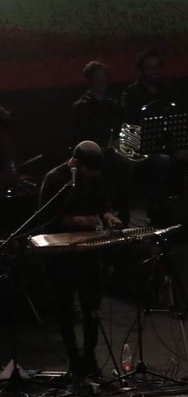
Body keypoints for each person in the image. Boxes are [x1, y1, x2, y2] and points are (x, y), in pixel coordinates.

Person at [37, 140, 122, 377]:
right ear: (75, 162)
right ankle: (73, 357)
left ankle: (90, 355)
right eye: (88, 170)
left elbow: (103, 202)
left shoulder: (93, 177)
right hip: (62, 256)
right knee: (64, 308)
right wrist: (77, 220)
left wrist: (108, 216)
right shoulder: (54, 179)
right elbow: (46, 221)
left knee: (91, 307)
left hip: (87, 254)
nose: (91, 175)